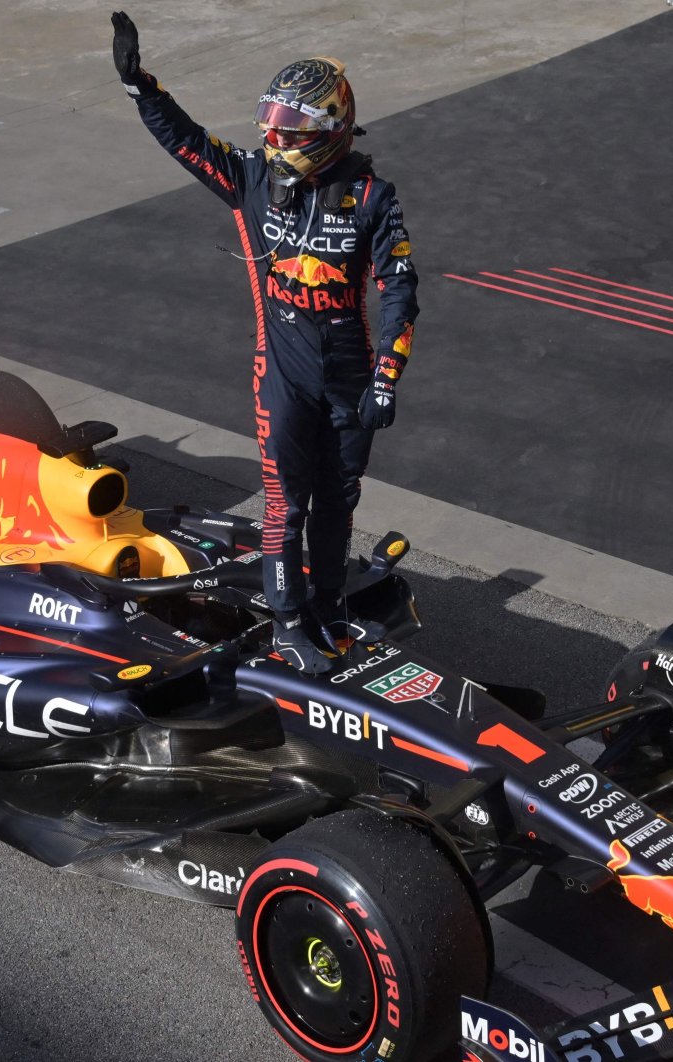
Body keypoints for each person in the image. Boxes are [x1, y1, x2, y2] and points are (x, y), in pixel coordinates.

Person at [110, 12, 419, 674]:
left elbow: (401, 290)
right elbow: (185, 141)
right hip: (280, 372)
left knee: (340, 498)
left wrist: (387, 377)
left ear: (331, 131)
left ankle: (331, 605)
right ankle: (286, 623)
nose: (274, 139)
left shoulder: (372, 196)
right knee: (288, 501)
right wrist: (144, 89)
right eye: (270, 125)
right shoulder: (248, 177)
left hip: (351, 376)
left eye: (291, 130)